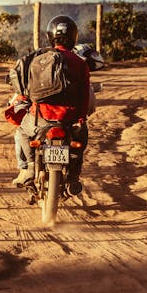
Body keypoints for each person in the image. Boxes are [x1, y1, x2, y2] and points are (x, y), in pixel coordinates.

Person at [15, 15, 90, 194]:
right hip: (68, 119)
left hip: (40, 118)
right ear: (74, 37)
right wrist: (80, 118)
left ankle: (30, 168)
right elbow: (84, 95)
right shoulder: (80, 63)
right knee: (81, 140)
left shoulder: (39, 58)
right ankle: (73, 177)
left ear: (51, 36)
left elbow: (24, 85)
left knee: (22, 132)